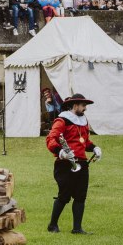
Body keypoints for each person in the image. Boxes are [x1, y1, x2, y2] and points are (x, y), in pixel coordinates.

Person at [46, 93, 102, 234]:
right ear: (75, 105)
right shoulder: (62, 120)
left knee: (80, 196)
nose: (85, 109)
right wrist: (61, 152)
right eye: (83, 106)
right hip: (64, 164)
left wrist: (94, 147)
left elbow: (85, 141)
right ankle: (52, 225)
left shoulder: (83, 121)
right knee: (64, 195)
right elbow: (51, 139)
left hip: (81, 163)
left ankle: (77, 228)